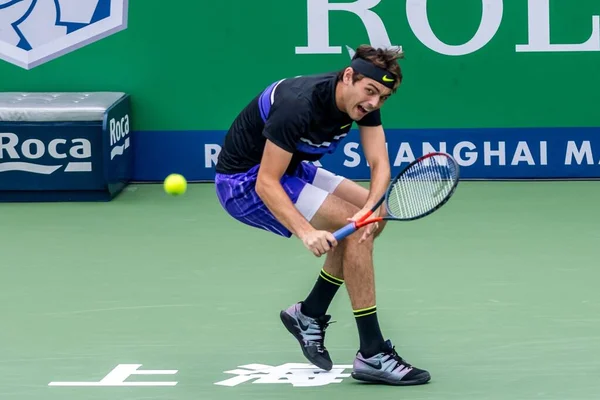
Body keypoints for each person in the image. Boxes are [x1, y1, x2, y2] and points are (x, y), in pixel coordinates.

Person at [214, 45, 431, 386]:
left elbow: (380, 165)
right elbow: (266, 183)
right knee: (354, 224)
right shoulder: (297, 104)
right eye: (371, 91)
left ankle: (310, 313)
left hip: (295, 168)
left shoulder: (364, 104)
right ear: (348, 76)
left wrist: (369, 209)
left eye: (383, 97)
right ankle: (372, 352)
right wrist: (305, 232)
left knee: (375, 216)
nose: (374, 103)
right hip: (244, 182)